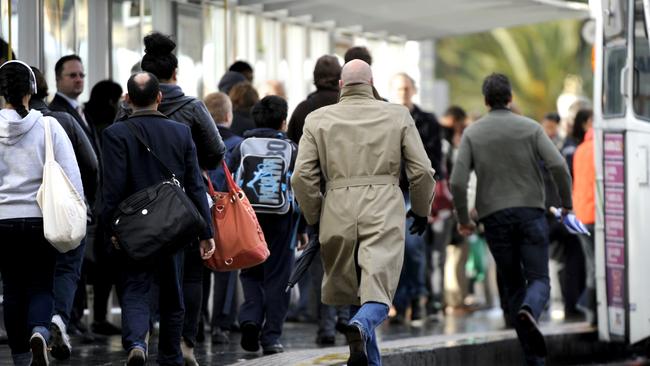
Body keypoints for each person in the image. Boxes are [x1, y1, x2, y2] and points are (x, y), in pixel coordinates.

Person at [292, 60, 436, 366]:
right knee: (379, 293)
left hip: (336, 210)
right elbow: (422, 172)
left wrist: (316, 217)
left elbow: (301, 178)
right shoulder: (397, 115)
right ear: (372, 84)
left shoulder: (317, 120)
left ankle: (369, 358)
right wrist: (421, 210)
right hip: (383, 209)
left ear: (342, 86)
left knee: (357, 295)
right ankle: (359, 326)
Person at [116, 32, 225, 365]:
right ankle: (184, 344)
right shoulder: (192, 108)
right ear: (175, 74)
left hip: (137, 210)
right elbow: (215, 152)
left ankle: (141, 336)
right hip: (183, 208)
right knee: (189, 277)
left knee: (140, 278)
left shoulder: (125, 113)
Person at [450, 73, 573, 366]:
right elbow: (558, 165)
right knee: (540, 279)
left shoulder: (472, 133)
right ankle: (530, 311)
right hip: (531, 213)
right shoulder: (531, 128)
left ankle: (534, 359)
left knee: (513, 284)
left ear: (485, 101)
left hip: (494, 219)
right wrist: (566, 204)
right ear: (510, 97)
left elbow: (457, 181)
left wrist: (464, 219)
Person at [0, 60, 83, 366]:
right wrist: (80, 213)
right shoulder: (49, 125)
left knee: (12, 289)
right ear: (32, 90)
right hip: (40, 220)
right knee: (41, 284)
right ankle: (39, 331)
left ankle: (21, 357)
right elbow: (72, 176)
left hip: (2, 221)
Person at [28, 66, 102, 359]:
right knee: (68, 269)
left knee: (31, 276)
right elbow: (92, 164)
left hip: (24, 214)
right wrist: (87, 202)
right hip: (64, 212)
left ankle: (36, 330)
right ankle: (57, 318)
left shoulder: (8, 125)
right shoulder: (63, 121)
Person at [229, 95, 301, 355]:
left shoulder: (243, 145)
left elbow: (227, 177)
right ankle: (271, 337)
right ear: (283, 122)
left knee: (250, 272)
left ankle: (249, 319)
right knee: (278, 277)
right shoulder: (292, 148)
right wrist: (303, 227)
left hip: (249, 218)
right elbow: (302, 186)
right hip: (283, 221)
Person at [287, 54, 349, 345]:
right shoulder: (347, 107)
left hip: (315, 197)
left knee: (320, 264)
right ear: (340, 79)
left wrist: (309, 208)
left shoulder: (303, 110)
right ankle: (345, 318)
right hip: (346, 195)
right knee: (347, 259)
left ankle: (324, 326)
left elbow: (294, 161)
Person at [390, 72, 443, 323]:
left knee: (413, 247)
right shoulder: (385, 117)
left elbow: (436, 163)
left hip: (416, 190)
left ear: (414, 90)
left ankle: (416, 297)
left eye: (406, 88)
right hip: (391, 191)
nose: (403, 93)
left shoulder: (428, 121)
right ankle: (401, 301)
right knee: (395, 248)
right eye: (399, 89)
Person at [202, 92, 243, 344]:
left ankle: (197, 323)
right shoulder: (238, 143)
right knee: (226, 269)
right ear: (229, 115)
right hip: (227, 212)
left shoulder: (194, 139)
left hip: (200, 209)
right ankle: (221, 324)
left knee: (199, 268)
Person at [572, 112, 596, 325]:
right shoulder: (599, 148)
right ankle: (590, 309)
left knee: (591, 263)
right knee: (596, 265)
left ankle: (590, 309)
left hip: (581, 214)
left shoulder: (580, 149)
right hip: (595, 214)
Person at [287, 55, 341, 144]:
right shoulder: (347, 105)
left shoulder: (302, 108)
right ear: (340, 76)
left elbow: (292, 144)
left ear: (315, 75)